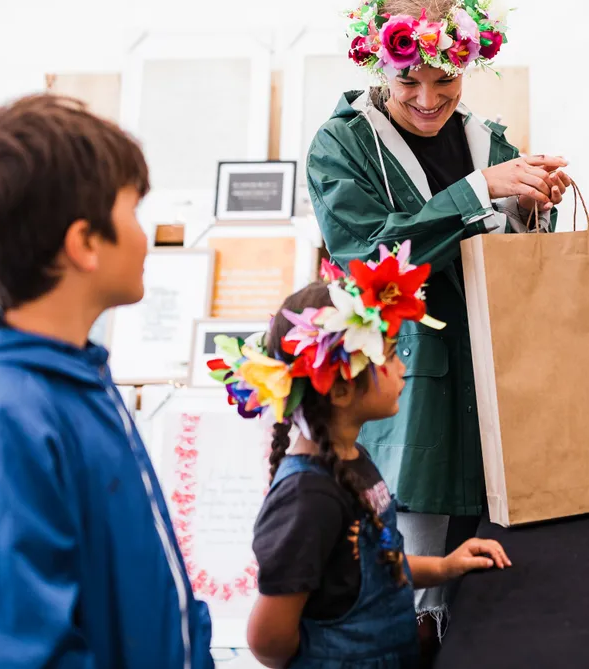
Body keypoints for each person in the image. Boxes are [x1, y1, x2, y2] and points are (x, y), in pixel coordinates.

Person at [306, 0, 567, 634]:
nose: (427, 98)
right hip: (403, 392)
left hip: (495, 385)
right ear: (379, 65)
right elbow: (372, 263)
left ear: (467, 66)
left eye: (444, 82)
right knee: (408, 589)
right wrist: (480, 191)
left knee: (487, 592)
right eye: (409, 82)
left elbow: (519, 270)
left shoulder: (488, 139)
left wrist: (532, 208)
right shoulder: (342, 146)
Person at [0, 94, 214, 668]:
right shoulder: (1, 416)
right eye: (132, 212)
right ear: (84, 243)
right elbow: (10, 651)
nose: (145, 237)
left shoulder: (73, 379)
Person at [213, 252, 510, 669]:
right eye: (388, 355)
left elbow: (369, 566)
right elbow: (267, 639)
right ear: (338, 391)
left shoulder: (355, 459)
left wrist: (443, 567)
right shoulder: (307, 498)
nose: (402, 366)